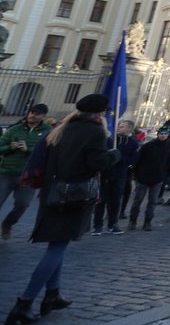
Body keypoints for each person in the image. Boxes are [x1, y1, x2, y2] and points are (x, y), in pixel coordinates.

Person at [7, 94, 118, 325]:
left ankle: (52, 294)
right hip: (72, 196)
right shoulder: (95, 132)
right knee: (56, 248)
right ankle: (24, 302)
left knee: (58, 243)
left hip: (52, 193)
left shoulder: (60, 128)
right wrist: (114, 156)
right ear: (100, 113)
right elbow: (97, 164)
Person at [0, 103, 51, 240]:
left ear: (43, 116)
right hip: (6, 171)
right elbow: (0, 146)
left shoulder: (48, 131)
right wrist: (10, 147)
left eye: (36, 113)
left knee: (23, 204)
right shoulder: (15, 129)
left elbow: (48, 152)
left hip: (29, 175)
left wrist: (28, 149)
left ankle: (8, 224)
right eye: (31, 112)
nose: (32, 115)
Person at [92, 120, 137, 235]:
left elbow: (133, 160)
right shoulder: (110, 140)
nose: (118, 128)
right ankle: (97, 226)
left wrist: (119, 158)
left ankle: (112, 225)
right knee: (101, 200)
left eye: (122, 127)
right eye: (118, 126)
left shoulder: (133, 143)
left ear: (129, 129)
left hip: (120, 175)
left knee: (116, 201)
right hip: (106, 173)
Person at [128, 125, 170, 231]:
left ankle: (147, 222)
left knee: (152, 202)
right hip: (143, 177)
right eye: (161, 134)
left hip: (158, 178)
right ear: (158, 134)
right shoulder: (148, 145)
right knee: (138, 200)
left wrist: (165, 174)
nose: (163, 136)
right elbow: (138, 160)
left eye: (165, 134)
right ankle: (132, 220)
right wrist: (136, 174)